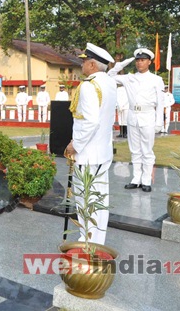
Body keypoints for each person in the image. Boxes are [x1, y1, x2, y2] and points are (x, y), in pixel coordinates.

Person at [65, 42, 117, 245]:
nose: (82, 65)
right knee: (100, 197)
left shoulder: (88, 86)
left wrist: (74, 145)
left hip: (87, 153)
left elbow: (89, 122)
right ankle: (96, 240)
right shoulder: (110, 83)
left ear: (93, 65)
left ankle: (86, 239)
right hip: (102, 151)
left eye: (85, 61)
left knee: (84, 198)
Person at [108, 47, 164, 192]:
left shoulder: (156, 80)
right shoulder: (129, 77)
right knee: (135, 150)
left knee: (147, 150)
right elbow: (110, 75)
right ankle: (136, 179)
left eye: (143, 60)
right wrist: (121, 64)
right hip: (132, 116)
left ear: (149, 62)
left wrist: (159, 122)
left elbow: (160, 102)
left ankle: (146, 180)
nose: (139, 63)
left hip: (148, 116)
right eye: (138, 60)